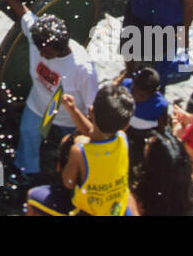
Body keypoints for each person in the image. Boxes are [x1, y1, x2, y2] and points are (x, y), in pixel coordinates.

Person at [0, 0, 99, 178]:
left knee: (68, 153)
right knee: (28, 134)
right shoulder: (40, 35)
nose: (41, 54)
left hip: (69, 120)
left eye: (45, 53)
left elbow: (92, 107)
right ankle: (27, 171)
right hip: (38, 103)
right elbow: (23, 13)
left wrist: (92, 136)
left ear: (58, 48)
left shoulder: (82, 68)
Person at [27, 82, 135, 216]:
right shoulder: (122, 138)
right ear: (125, 125)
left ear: (91, 111)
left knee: (32, 196)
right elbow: (94, 132)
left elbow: (68, 183)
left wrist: (72, 150)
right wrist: (73, 109)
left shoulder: (80, 151)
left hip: (87, 212)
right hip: (117, 209)